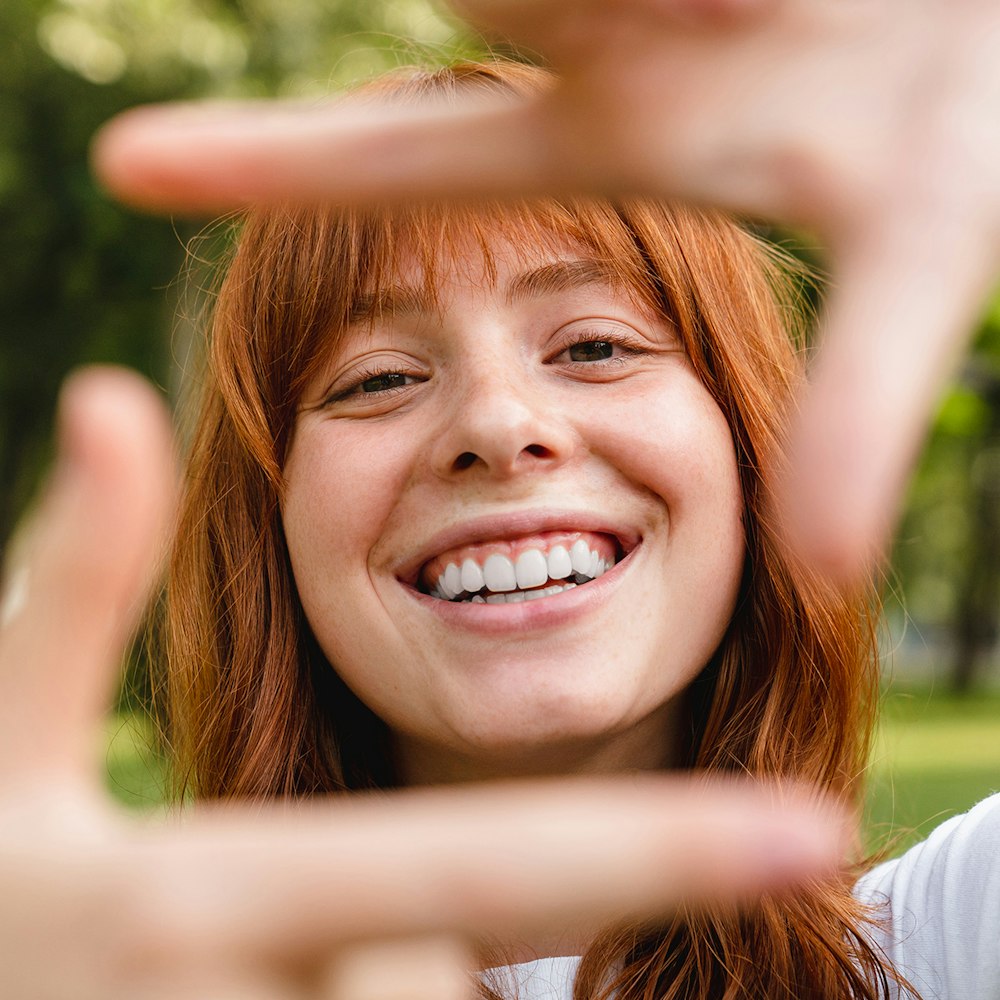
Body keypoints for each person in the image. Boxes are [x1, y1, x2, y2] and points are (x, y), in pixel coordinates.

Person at [158, 59, 1000, 999]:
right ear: (267, 525)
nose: (498, 425)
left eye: (595, 346)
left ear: (746, 448)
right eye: (380, 378)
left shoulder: (955, 943)